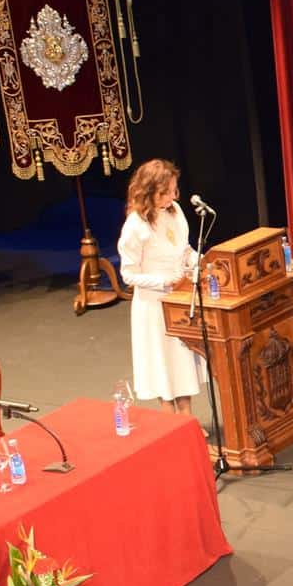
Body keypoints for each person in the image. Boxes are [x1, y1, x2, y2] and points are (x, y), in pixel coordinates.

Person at [117, 158, 202, 415]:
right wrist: (164, 281)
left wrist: (200, 261)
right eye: (164, 193)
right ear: (147, 191)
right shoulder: (135, 226)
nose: (171, 197)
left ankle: (187, 417)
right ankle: (168, 422)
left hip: (179, 297)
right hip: (153, 304)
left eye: (173, 190)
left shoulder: (175, 211)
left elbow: (184, 249)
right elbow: (128, 274)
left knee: (183, 358)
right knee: (162, 361)